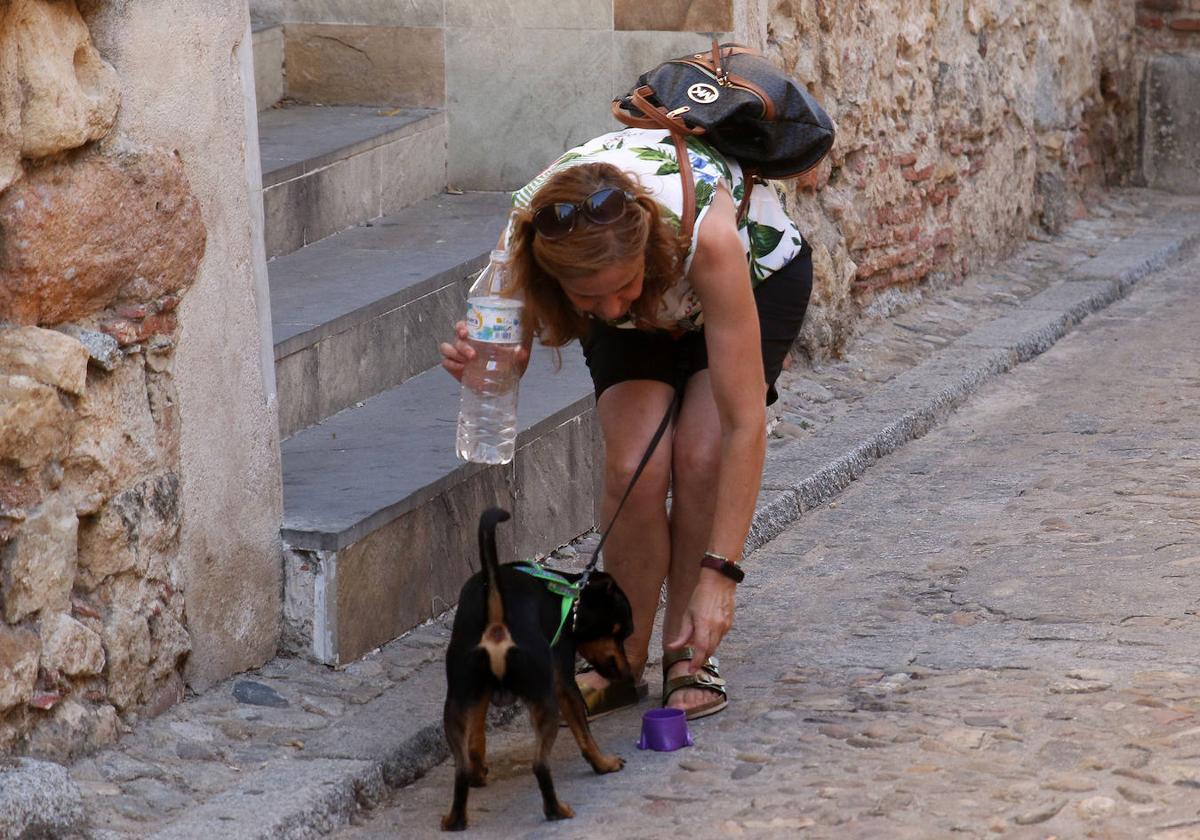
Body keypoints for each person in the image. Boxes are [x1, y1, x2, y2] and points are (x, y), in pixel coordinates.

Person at [439, 126, 815, 720]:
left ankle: (688, 653)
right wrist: (488, 368)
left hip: (754, 278)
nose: (610, 308)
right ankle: (623, 658)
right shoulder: (529, 234)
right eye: (588, 298)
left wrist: (722, 575)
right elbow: (505, 354)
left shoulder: (707, 239)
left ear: (643, 254)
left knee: (699, 454)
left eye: (621, 288)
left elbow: (745, 426)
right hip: (653, 310)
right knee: (631, 467)